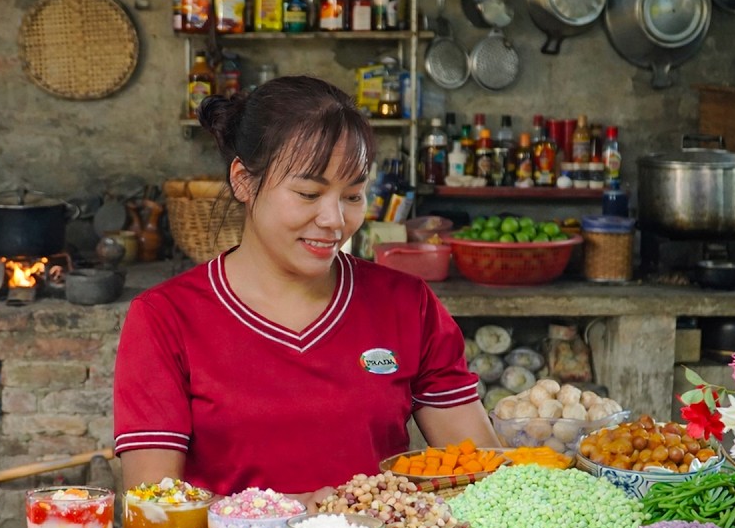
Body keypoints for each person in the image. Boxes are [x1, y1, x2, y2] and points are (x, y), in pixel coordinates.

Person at [113, 76, 496, 503]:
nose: (334, 220)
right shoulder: (165, 318)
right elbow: (151, 511)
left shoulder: (406, 304)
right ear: (243, 180)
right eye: (308, 193)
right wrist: (297, 517)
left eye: (353, 196)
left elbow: (485, 480)